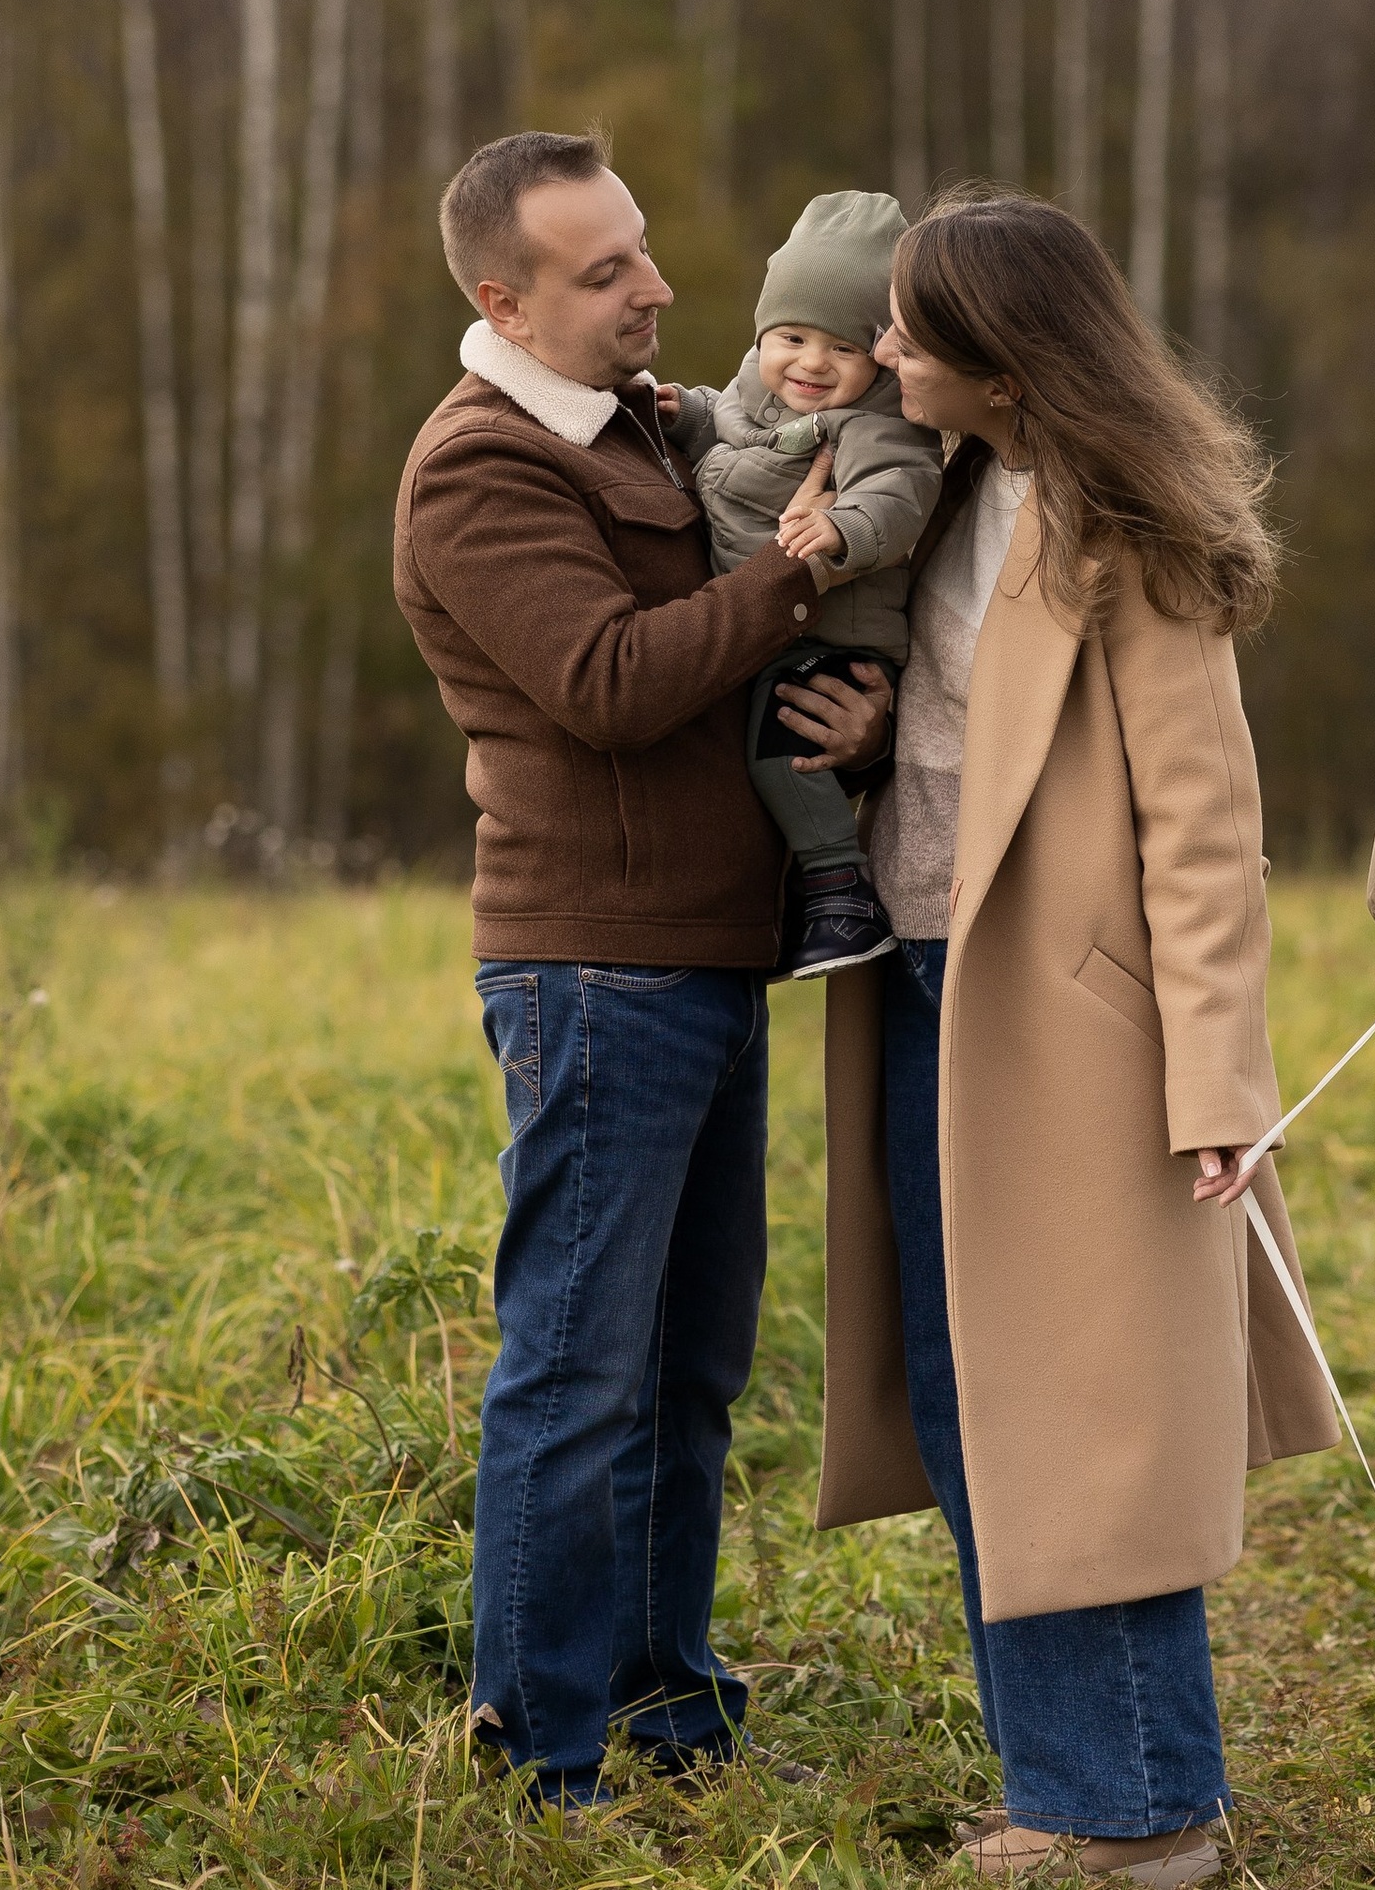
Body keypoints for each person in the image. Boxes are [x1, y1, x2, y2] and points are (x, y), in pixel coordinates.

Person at [791, 186, 1342, 1886]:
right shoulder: (941, 492)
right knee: (971, 1404)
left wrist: (1216, 1082)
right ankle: (1078, 1792)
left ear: (996, 359)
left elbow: (1202, 829)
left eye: (905, 326)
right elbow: (966, 745)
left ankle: (1144, 1823)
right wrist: (874, 745)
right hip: (926, 988)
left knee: (1082, 1419)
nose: (883, 349)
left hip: (1074, 1032)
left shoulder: (1132, 538)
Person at [391, 128, 875, 1807]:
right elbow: (603, 680)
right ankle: (543, 1752)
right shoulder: (480, 469)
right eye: (606, 274)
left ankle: (674, 1709)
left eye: (648, 252)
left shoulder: (662, 425)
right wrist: (794, 574)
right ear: (504, 301)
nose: (656, 289)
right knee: (579, 1370)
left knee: (687, 1368)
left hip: (702, 959)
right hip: (592, 971)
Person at [662, 189, 945, 979]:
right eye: (791, 337)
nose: (812, 364)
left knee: (783, 750)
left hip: (834, 637)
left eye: (843, 348)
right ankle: (805, 892)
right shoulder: (759, 385)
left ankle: (838, 893)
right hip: (773, 624)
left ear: (879, 355)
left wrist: (844, 529)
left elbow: (901, 493)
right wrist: (686, 415)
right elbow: (732, 431)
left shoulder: (878, 423)